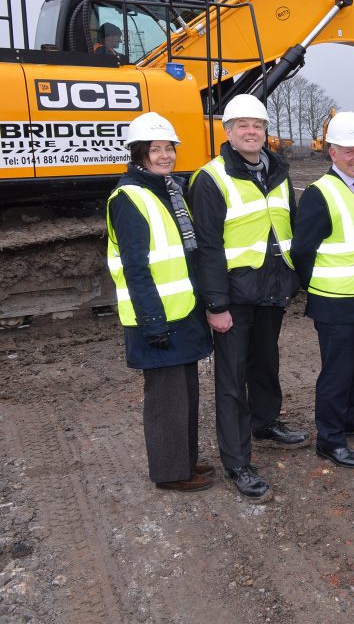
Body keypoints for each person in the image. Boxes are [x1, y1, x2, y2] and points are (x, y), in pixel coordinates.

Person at [189, 94, 308, 502]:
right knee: (231, 378)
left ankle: (266, 422)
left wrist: (294, 279)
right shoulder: (212, 177)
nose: (251, 131)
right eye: (242, 125)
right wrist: (216, 304)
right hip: (235, 295)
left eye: (257, 125)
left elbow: (286, 225)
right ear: (228, 131)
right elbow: (207, 246)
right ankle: (238, 460)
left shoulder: (277, 171)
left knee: (265, 362)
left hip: (272, 286)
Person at [106, 112, 214, 492]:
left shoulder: (169, 189)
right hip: (157, 318)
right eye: (156, 149)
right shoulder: (129, 197)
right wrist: (152, 321)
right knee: (166, 400)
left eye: (169, 148)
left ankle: (183, 458)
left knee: (185, 392)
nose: (165, 155)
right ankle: (171, 472)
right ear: (139, 154)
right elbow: (135, 266)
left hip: (180, 311)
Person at [291, 111, 354, 471]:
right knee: (336, 372)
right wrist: (315, 286)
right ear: (332, 152)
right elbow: (302, 251)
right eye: (350, 151)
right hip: (334, 303)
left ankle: (352, 417)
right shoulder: (321, 193)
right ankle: (330, 440)